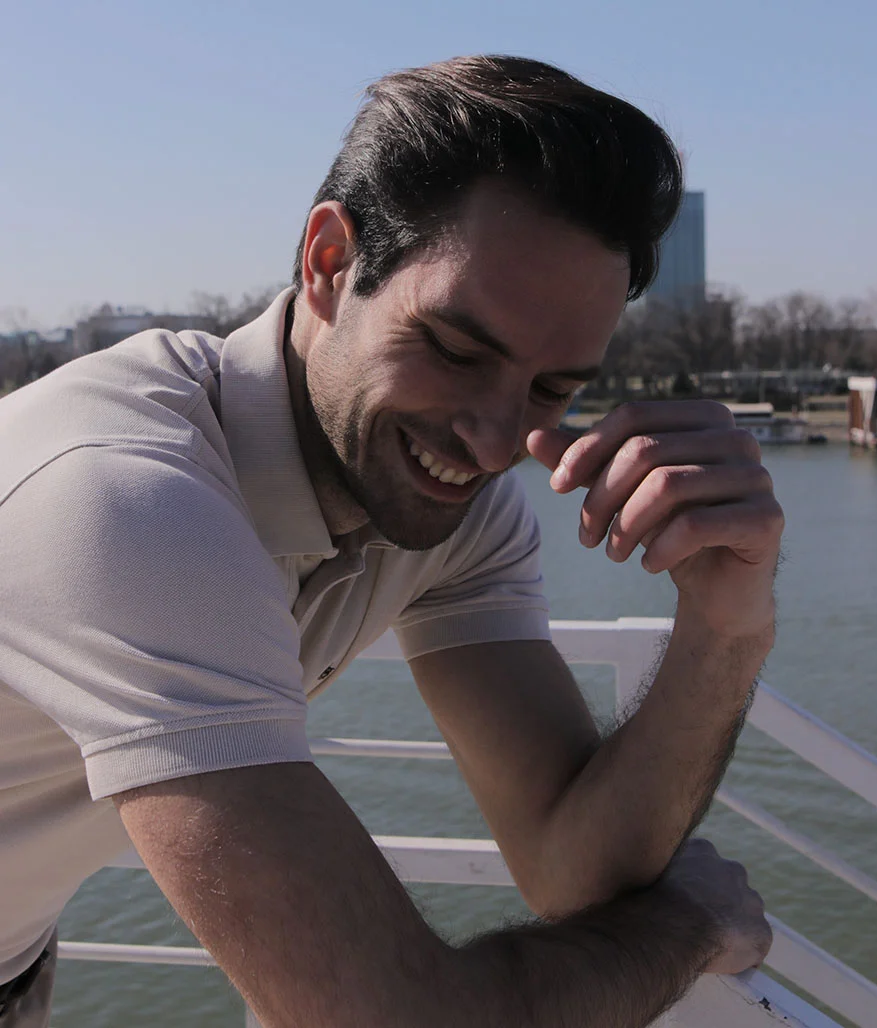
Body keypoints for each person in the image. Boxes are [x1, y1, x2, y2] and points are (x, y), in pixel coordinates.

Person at [0, 55, 782, 1028]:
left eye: (551, 389)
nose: (495, 443)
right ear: (329, 263)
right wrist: (684, 927)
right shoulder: (128, 500)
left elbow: (571, 866)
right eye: (455, 350)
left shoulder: (449, 505)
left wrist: (727, 625)